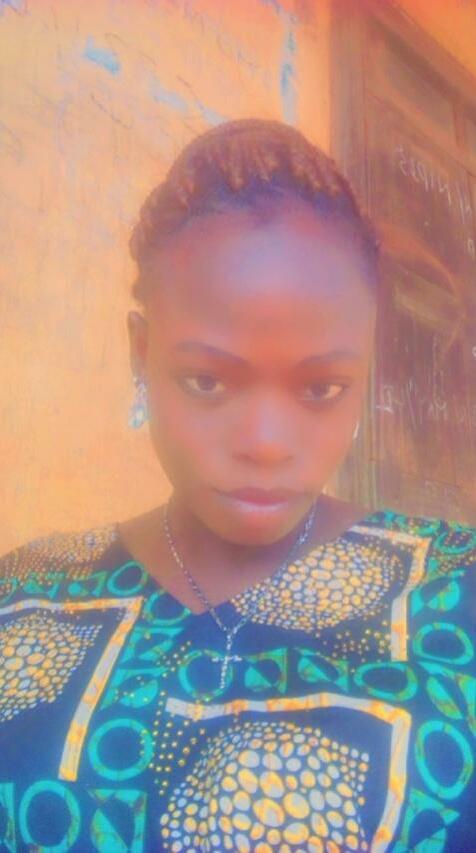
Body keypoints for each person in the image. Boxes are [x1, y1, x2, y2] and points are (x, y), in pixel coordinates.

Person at [0, 117, 475, 853]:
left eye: (321, 387)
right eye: (207, 380)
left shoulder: (454, 593)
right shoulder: (23, 595)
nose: (265, 443)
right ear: (141, 352)